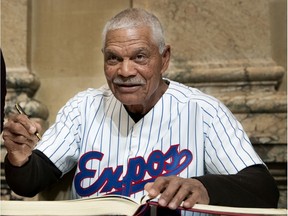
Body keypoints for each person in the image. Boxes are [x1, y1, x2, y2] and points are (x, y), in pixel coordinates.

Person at [3, 8, 279, 214]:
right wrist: (20, 160)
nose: (125, 71)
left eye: (139, 57)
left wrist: (203, 187)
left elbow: (264, 190)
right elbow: (29, 182)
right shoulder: (83, 108)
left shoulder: (203, 112)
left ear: (164, 58)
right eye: (113, 58)